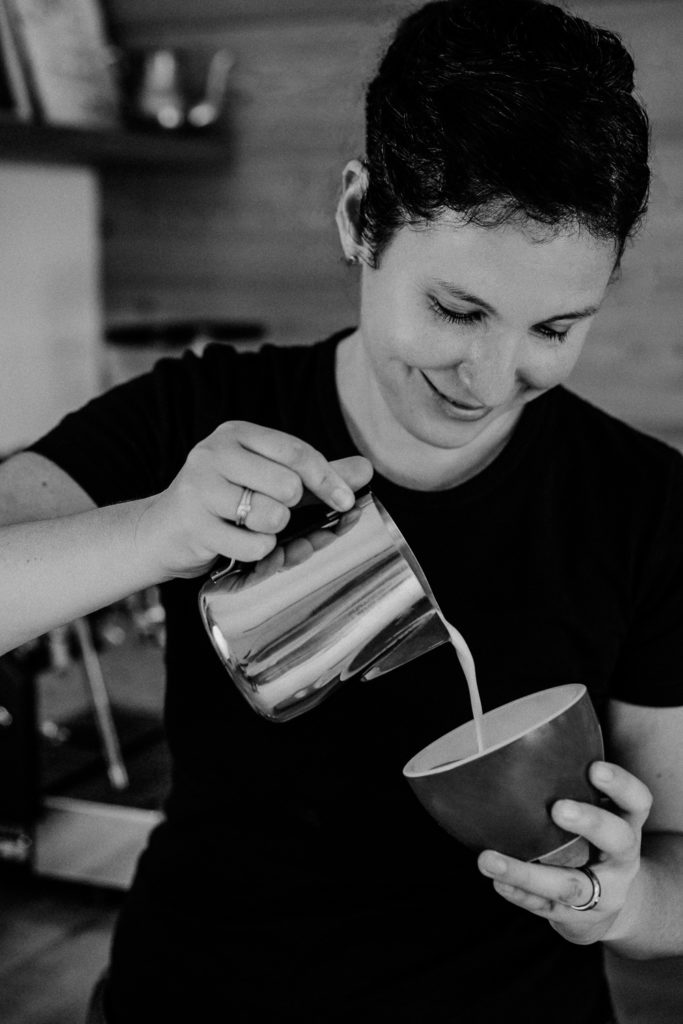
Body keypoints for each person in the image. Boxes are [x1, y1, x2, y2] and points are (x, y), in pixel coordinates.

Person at [1, 0, 682, 1020]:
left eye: (553, 328)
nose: (491, 376)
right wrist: (156, 531)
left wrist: (621, 901)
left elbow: (674, 863)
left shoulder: (644, 503)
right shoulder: (200, 412)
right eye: (455, 309)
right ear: (359, 217)